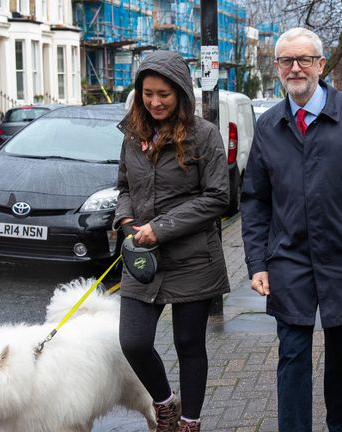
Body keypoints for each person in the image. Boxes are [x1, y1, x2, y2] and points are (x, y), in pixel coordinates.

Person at [240, 28, 342, 432]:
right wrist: (258, 261)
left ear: (321, 65)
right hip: (289, 259)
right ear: (276, 68)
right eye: (286, 61)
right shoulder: (269, 124)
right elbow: (255, 199)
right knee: (292, 356)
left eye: (304, 60)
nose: (296, 68)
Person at [113, 50, 230, 432]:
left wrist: (160, 228)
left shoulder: (205, 135)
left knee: (189, 344)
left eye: (163, 93)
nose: (155, 101)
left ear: (180, 92)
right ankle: (164, 404)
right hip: (143, 256)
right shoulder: (134, 134)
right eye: (147, 93)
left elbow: (217, 198)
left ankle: (189, 423)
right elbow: (124, 186)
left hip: (193, 258)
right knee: (133, 342)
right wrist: (126, 219)